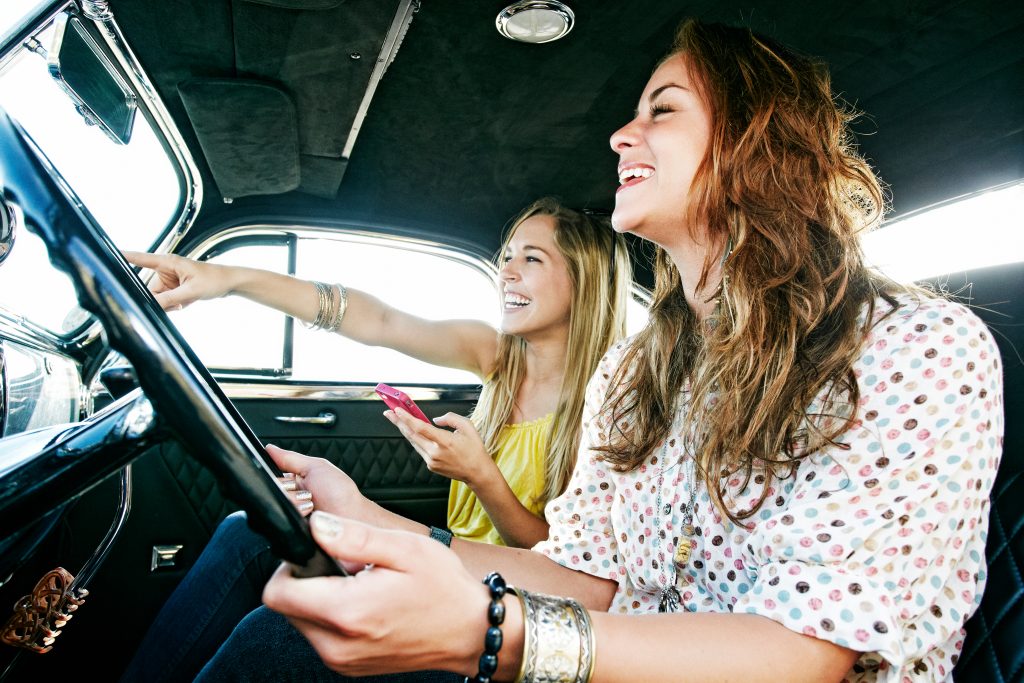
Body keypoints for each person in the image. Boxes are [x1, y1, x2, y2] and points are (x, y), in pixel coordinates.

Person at [194, 17, 1005, 683]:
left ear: (756, 142)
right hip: (604, 664)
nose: (621, 135)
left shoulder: (916, 347)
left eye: (662, 110)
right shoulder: (638, 370)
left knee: (282, 644)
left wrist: (492, 634)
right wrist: (367, 520)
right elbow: (589, 580)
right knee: (267, 579)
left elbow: (801, 653)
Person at [116, 197, 632, 683]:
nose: (508, 271)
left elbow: (565, 571)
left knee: (275, 635)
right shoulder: (496, 356)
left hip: (511, 606)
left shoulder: (609, 404)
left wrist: (481, 476)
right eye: (506, 256)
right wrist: (228, 279)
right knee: (247, 531)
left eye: (532, 259)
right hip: (447, 571)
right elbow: (377, 320)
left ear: (583, 281)